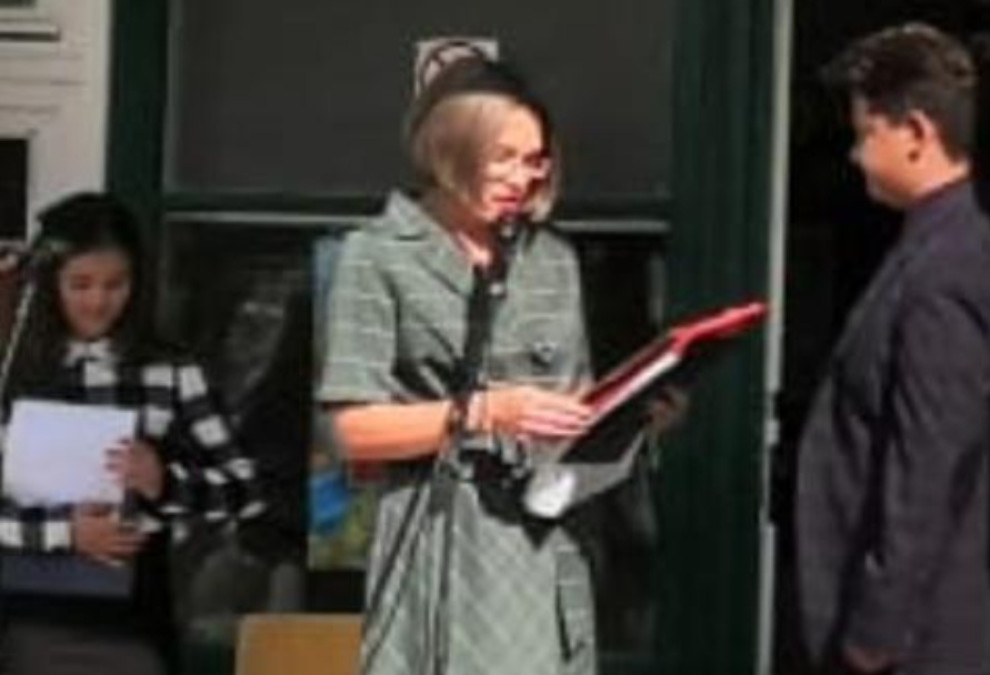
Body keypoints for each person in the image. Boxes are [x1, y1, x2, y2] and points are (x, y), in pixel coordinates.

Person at [316, 57, 612, 675]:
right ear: (450, 147)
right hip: (441, 537)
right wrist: (486, 413)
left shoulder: (551, 259)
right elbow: (350, 429)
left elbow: (576, 409)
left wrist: (634, 412)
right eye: (503, 157)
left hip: (544, 543)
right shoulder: (378, 254)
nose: (521, 178)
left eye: (535, 161)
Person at [792, 24, 990, 675]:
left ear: (916, 133)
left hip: (911, 647)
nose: (855, 156)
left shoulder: (951, 266)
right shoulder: (928, 248)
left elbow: (928, 462)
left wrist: (874, 635)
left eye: (866, 134)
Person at [0, 192, 264, 675]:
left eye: (115, 284)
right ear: (49, 284)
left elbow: (246, 492)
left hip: (131, 619)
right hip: (21, 616)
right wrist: (66, 532)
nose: (98, 301)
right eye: (80, 284)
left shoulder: (172, 371)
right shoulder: (13, 369)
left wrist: (163, 481)